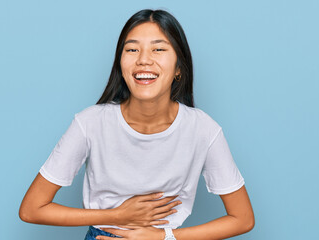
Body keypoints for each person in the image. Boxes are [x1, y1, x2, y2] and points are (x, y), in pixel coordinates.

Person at [19, 9, 254, 240]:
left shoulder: (203, 130)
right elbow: (31, 209)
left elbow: (242, 218)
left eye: (158, 49)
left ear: (179, 68)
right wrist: (117, 215)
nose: (143, 60)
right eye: (132, 49)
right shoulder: (90, 122)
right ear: (121, 64)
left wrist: (166, 237)